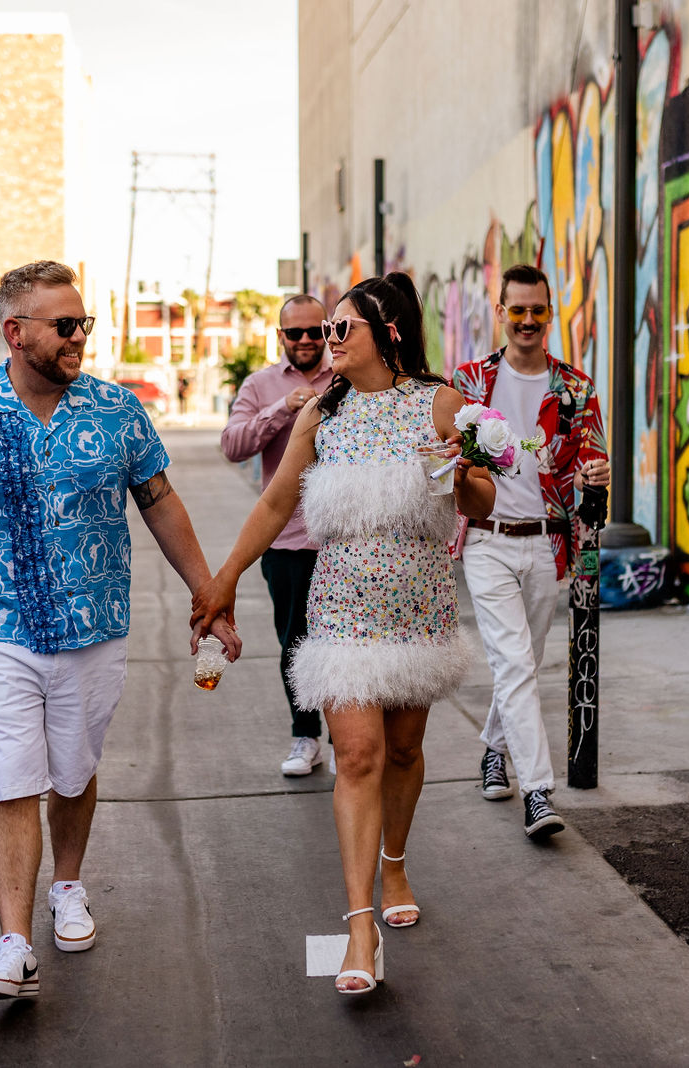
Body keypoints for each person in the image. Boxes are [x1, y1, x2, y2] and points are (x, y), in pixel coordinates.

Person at [0, 260, 241, 1002]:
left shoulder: (117, 411)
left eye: (83, 324)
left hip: (94, 629)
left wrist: (209, 592)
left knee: (72, 772)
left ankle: (67, 885)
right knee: (11, 779)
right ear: (16, 332)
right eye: (64, 326)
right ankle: (13, 944)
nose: (79, 338)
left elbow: (161, 504)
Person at [191, 273, 498, 996]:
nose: (326, 341)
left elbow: (483, 502)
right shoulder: (320, 414)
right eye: (324, 330)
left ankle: (395, 862)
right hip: (341, 610)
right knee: (357, 755)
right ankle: (360, 926)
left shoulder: (441, 403)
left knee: (403, 749)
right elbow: (274, 503)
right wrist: (226, 576)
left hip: (418, 608)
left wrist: (460, 474)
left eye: (340, 329)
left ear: (387, 332)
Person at [450, 263, 610, 840]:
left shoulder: (576, 388)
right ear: (500, 312)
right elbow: (447, 460)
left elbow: (591, 462)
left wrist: (597, 473)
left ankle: (494, 747)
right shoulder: (469, 383)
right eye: (516, 309)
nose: (526, 320)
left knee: (524, 661)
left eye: (537, 310)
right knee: (515, 663)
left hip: (547, 544)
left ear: (550, 313)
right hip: (488, 542)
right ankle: (539, 793)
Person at [219, 294, 335, 776]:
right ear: (280, 337)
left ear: (328, 333)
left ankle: (348, 741)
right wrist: (282, 410)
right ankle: (306, 737)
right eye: (296, 333)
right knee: (296, 643)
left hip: (343, 540)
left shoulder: (349, 378)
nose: (306, 341)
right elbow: (233, 445)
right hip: (286, 541)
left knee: (347, 644)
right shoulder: (260, 384)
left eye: (315, 332)